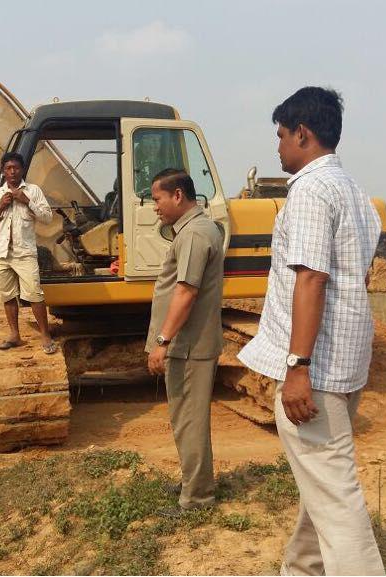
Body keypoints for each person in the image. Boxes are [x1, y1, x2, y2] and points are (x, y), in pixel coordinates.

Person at [237, 87, 386, 575]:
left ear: (302, 133)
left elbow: (312, 278)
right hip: (347, 362)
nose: (278, 147)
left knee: (337, 500)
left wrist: (298, 367)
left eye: (281, 135)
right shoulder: (355, 193)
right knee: (321, 486)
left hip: (316, 370)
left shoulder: (308, 191)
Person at [144, 168, 225, 511]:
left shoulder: (193, 234)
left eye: (157, 199)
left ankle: (197, 498)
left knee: (189, 422)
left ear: (178, 195)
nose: (155, 207)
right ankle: (194, 484)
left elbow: (187, 291)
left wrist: (162, 340)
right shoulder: (196, 229)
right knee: (187, 421)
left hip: (188, 346)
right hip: (189, 344)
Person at [0, 152, 58, 354]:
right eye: (8, 168)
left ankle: (45, 335)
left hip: (24, 253)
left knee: (34, 294)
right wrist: (0, 207)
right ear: (2, 171)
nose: (12, 171)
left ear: (22, 170)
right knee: (7, 295)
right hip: (2, 254)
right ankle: (14, 335)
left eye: (16, 168)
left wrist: (27, 201)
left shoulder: (33, 191)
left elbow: (47, 218)